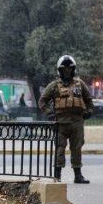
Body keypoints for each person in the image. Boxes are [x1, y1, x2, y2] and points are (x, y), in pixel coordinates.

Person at [38, 55, 94, 184]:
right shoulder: (54, 85)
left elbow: (88, 100)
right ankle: (57, 176)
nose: (67, 71)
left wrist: (89, 111)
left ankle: (78, 175)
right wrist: (49, 114)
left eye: (70, 69)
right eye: (64, 69)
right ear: (60, 70)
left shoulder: (80, 84)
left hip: (77, 122)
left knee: (77, 149)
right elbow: (43, 101)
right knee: (59, 149)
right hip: (60, 123)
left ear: (73, 70)